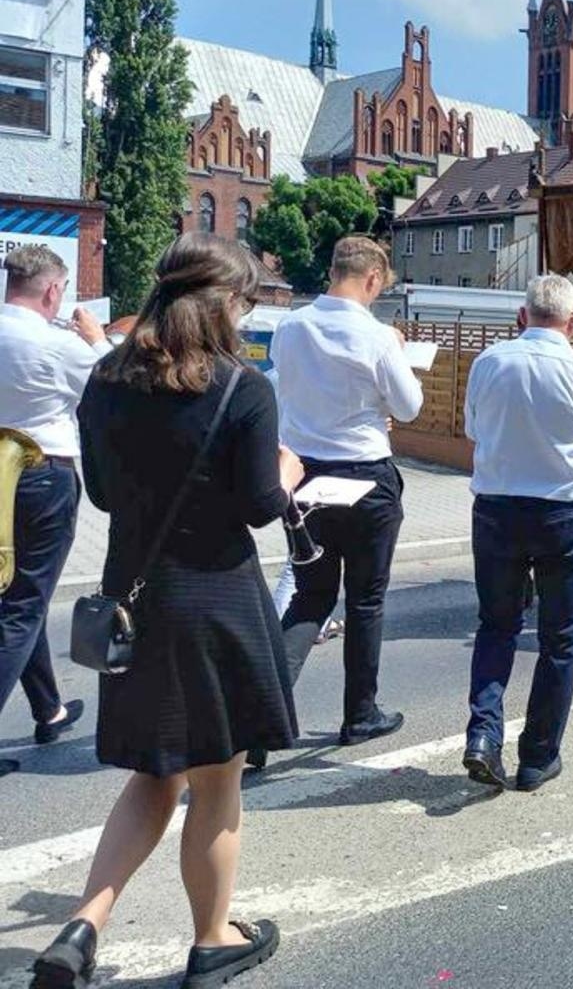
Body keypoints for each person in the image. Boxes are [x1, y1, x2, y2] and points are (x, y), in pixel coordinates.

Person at [33, 234, 301, 989]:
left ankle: (83, 926)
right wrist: (285, 471)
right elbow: (258, 508)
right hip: (215, 600)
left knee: (156, 774)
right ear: (224, 303)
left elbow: (109, 497)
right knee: (217, 783)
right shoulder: (242, 388)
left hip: (135, 603)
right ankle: (213, 939)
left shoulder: (108, 379)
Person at [460, 275, 573, 792]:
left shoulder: (490, 362)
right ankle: (537, 756)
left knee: (497, 625)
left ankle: (484, 734)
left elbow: (472, 429)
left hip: (496, 508)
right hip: (564, 512)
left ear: (522, 314)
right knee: (559, 638)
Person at [263, 237, 422, 764]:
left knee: (310, 596)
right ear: (373, 279)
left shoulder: (290, 327)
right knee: (366, 600)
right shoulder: (375, 335)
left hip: (305, 478)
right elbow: (410, 406)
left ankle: (261, 717)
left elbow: (284, 392)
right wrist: (395, 353)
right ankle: (360, 714)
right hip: (365, 475)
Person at [0, 246, 105, 779]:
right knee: (21, 604)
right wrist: (96, 339)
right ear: (52, 291)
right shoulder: (57, 343)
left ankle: (49, 708)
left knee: (19, 594)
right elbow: (115, 389)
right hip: (42, 473)